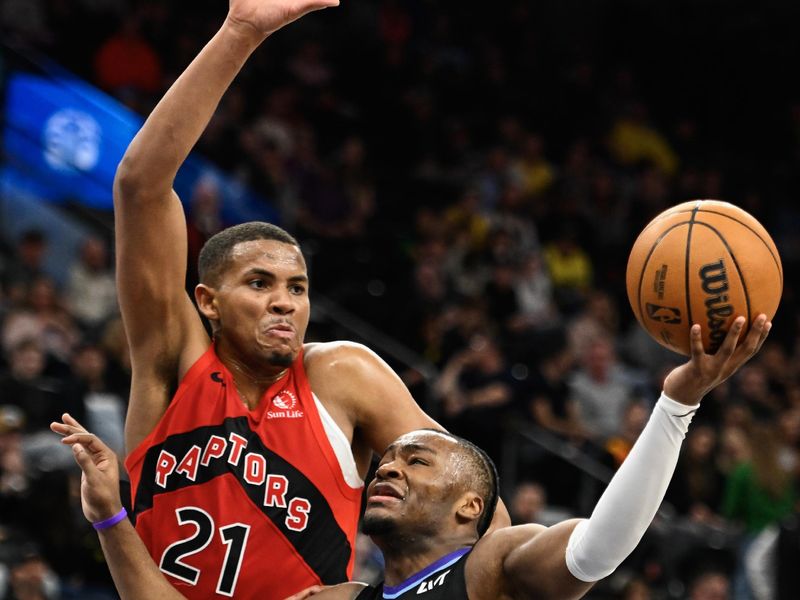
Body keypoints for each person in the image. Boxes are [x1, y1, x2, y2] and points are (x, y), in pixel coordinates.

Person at [105, 0, 507, 597]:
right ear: (208, 302)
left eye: (297, 287)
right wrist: (240, 33)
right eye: (259, 284)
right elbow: (140, 185)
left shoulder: (343, 373)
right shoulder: (173, 359)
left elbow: (476, 503)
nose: (285, 303)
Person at [54, 315, 771, 599]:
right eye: (387, 460)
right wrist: (110, 515)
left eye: (417, 460)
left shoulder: (492, 567)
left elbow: (599, 550)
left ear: (471, 505)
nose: (388, 466)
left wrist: (676, 405)